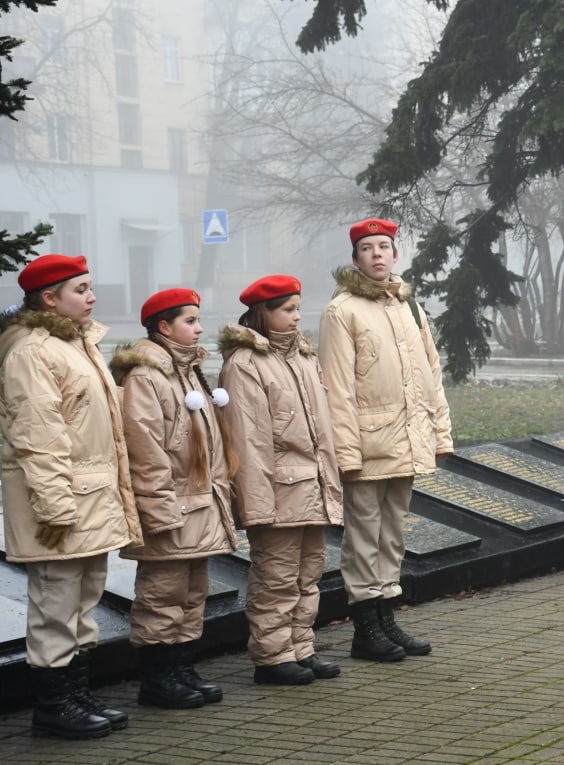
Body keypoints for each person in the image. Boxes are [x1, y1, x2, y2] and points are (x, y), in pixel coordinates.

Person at [0, 254, 141, 739]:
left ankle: (76, 693)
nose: (92, 296)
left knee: (82, 603)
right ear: (49, 298)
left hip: (90, 497)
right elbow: (39, 437)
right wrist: (57, 509)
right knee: (56, 606)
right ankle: (54, 706)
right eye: (81, 289)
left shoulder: (75, 344)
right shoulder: (31, 353)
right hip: (60, 504)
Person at [319, 218, 453, 663]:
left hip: (407, 440)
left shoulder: (409, 308)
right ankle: (365, 627)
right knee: (364, 536)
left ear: (395, 254)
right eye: (367, 248)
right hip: (368, 443)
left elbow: (432, 376)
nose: (377, 254)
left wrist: (439, 433)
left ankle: (387, 616)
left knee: (392, 534)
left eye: (384, 246)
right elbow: (336, 388)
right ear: (355, 258)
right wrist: (347, 452)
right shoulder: (343, 311)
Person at [111, 289, 238, 710]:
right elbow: (145, 451)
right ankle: (158, 678)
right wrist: (160, 510)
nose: (199, 328)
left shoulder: (187, 369)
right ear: (163, 327)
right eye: (190, 321)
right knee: (162, 595)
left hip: (198, 503)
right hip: (173, 506)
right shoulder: (149, 376)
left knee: (192, 592)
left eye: (198, 320)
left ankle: (182, 668)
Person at [220, 276, 344, 685]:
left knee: (308, 573)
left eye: (296, 308)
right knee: (276, 577)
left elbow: (321, 432)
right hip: (276, 493)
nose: (296, 317)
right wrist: (256, 506)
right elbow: (248, 442)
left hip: (311, 487)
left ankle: (300, 648)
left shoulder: (303, 358)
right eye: (287, 310)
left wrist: (329, 483)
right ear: (263, 313)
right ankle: (272, 657)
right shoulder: (245, 364)